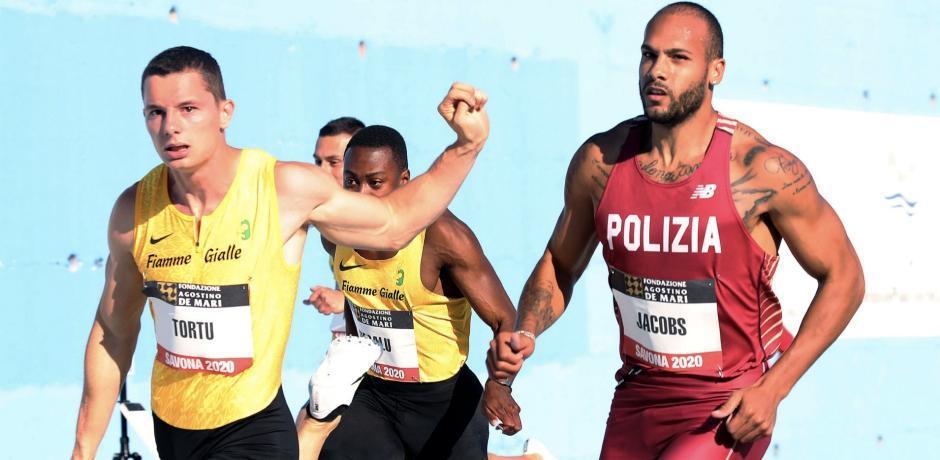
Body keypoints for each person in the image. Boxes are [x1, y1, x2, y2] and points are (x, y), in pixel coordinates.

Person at [71, 45, 490, 460]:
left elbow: (394, 222)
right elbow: (114, 331)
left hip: (251, 429)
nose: (170, 128)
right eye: (155, 112)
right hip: (174, 428)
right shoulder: (134, 212)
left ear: (225, 112)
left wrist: (466, 146)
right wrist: (83, 449)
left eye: (188, 109)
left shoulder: (281, 189)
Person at [488, 2, 864, 459]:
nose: (656, 71)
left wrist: (774, 388)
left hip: (725, 404)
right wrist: (527, 331)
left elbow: (845, 277)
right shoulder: (600, 163)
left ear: (715, 71)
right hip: (636, 397)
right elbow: (559, 263)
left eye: (677, 58)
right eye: (649, 56)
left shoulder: (761, 170)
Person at [295, 125, 522, 459]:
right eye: (351, 182)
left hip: (443, 402)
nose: (361, 195)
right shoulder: (335, 233)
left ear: (404, 181)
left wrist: (500, 384)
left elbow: (505, 318)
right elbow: (364, 301)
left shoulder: (443, 237)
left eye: (375, 183)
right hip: (372, 394)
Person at [305, 116, 366, 337]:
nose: (321, 172)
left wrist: (346, 303)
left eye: (333, 162)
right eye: (318, 162)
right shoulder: (329, 214)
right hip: (349, 348)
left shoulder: (384, 222)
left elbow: (406, 300)